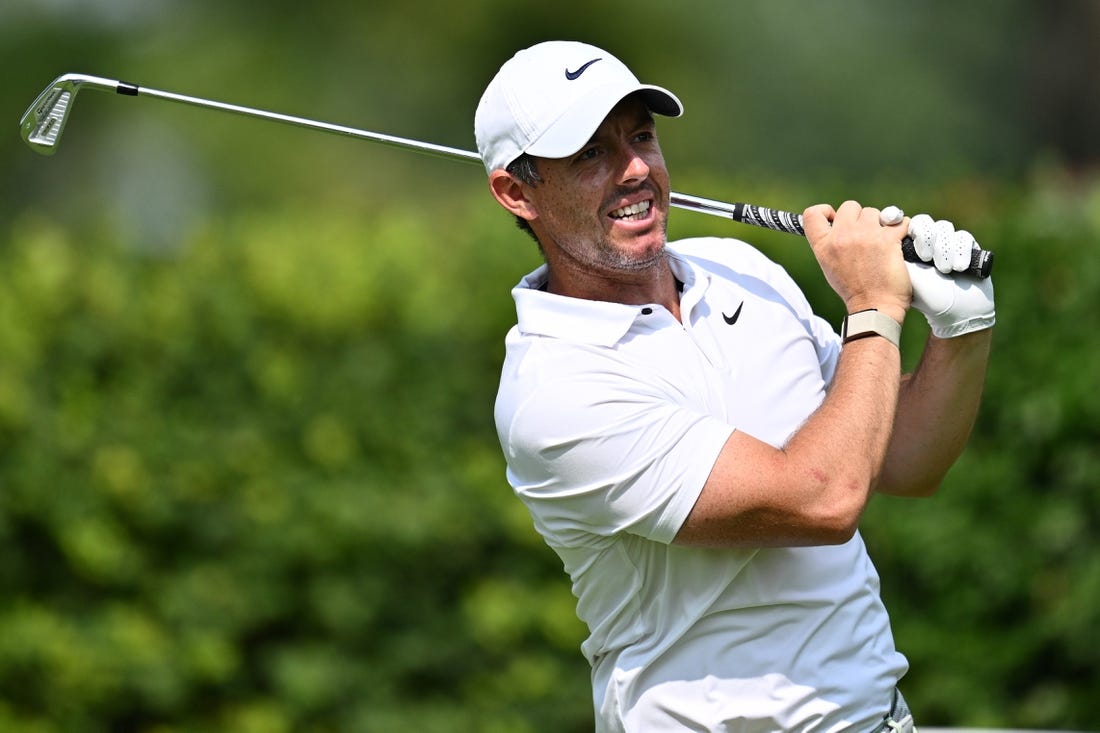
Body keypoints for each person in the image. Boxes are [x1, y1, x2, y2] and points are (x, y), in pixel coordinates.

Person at [475, 40, 995, 733]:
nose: (635, 170)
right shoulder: (553, 391)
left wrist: (963, 329)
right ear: (517, 192)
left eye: (641, 137)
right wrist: (873, 309)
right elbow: (823, 498)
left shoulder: (738, 267)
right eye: (590, 154)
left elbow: (904, 458)